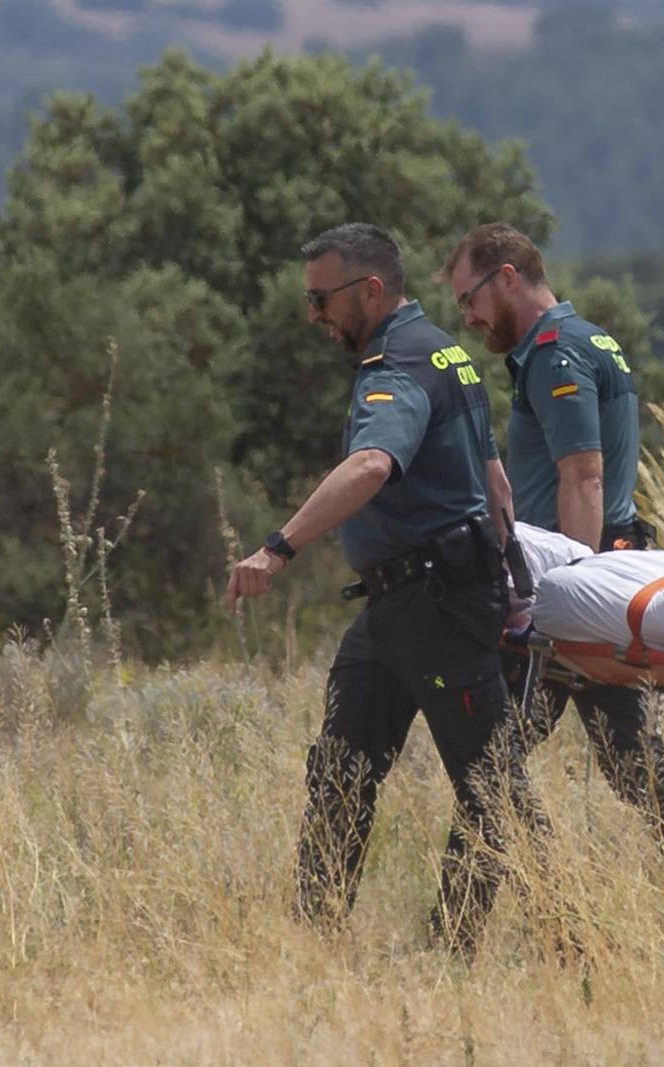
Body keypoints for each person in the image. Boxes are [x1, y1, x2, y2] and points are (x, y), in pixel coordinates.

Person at [226, 222, 539, 954]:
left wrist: (278, 549)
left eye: (321, 298)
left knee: (495, 789)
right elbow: (492, 475)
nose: (313, 315)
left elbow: (371, 465)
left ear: (370, 289)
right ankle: (313, 941)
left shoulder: (395, 363)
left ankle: (558, 943)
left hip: (435, 602)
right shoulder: (450, 354)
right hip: (402, 605)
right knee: (340, 771)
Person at [442, 223, 664, 923]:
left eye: (470, 299)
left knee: (489, 761)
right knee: (633, 766)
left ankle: (459, 930)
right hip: (603, 579)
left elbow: (583, 474)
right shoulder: (590, 338)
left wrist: (560, 601)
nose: (468, 318)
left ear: (509, 277)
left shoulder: (555, 351)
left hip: (575, 596)